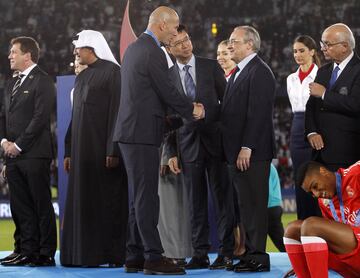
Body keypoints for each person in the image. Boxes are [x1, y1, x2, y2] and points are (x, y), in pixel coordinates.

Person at [112, 6, 205, 275]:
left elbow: (146, 95)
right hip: (140, 133)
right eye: (175, 27)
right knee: (147, 197)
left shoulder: (135, 49)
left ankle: (134, 254)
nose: (176, 33)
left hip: (134, 131)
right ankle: (153, 257)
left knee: (138, 197)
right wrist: (191, 110)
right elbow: (167, 90)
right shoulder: (152, 51)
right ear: (162, 25)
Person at [165, 25, 234, 270]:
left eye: (187, 39)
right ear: (169, 48)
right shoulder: (168, 76)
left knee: (223, 199)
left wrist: (213, 121)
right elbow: (168, 117)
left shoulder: (209, 66)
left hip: (216, 142)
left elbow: (228, 103)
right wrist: (172, 152)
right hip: (187, 146)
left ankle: (226, 252)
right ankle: (200, 253)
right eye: (179, 42)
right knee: (196, 204)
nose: (185, 45)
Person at [60, 30, 128, 267]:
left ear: (91, 48)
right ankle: (82, 254)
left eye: (79, 48)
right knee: (83, 203)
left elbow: (118, 113)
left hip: (102, 153)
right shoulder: (81, 77)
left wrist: (113, 149)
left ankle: (110, 255)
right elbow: (75, 117)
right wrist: (68, 151)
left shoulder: (114, 73)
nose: (76, 52)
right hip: (81, 154)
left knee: (107, 203)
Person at [221, 25, 276, 272]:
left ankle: (258, 257)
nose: (230, 45)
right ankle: (249, 253)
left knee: (254, 205)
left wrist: (247, 146)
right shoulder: (238, 72)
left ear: (250, 45)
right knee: (245, 206)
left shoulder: (259, 72)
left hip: (251, 154)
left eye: (234, 41)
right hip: (237, 153)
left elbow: (259, 115)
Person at [0, 36, 57, 266]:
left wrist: (18, 145)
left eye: (14, 52)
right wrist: (4, 142)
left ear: (28, 55)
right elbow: (4, 116)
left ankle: (45, 253)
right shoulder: (10, 83)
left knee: (40, 203)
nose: (9, 56)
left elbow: (40, 118)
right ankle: (24, 249)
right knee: (20, 205)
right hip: (12, 155)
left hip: (34, 154)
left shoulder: (42, 81)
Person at [284, 160, 360, 278]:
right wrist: (306, 260)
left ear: (323, 171)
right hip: (349, 259)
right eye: (311, 192)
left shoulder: (356, 173)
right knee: (291, 229)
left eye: (315, 186)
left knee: (311, 225)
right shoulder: (324, 202)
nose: (316, 194)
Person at [305, 23, 360, 172]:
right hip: (319, 154)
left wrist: (324, 94)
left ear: (344, 46)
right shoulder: (323, 71)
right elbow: (310, 107)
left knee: (346, 195)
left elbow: (356, 104)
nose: (322, 48)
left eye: (327, 44)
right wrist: (312, 132)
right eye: (323, 43)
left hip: (347, 153)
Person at [287, 35, 322, 220]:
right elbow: (295, 110)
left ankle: (319, 228)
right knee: (299, 179)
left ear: (312, 52)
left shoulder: (321, 74)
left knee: (315, 181)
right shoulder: (290, 79)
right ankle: (303, 226)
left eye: (301, 50)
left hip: (316, 129)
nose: (297, 55)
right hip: (296, 129)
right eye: (295, 51)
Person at [217, 39, 246, 259]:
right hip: (218, 148)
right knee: (226, 200)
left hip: (235, 147)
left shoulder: (239, 78)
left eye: (226, 53)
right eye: (218, 53)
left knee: (238, 199)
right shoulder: (217, 79)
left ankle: (244, 244)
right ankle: (233, 243)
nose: (221, 57)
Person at [267, 163, 285, 252]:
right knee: (281, 242)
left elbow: (267, 190)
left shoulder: (265, 166)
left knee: (282, 243)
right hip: (272, 206)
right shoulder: (268, 165)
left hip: (269, 206)